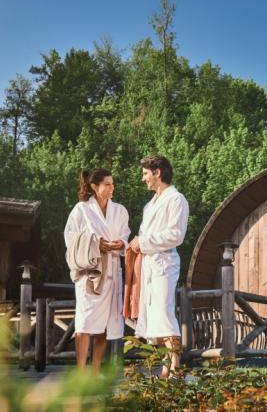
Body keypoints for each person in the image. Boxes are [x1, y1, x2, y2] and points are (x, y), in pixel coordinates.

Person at [128, 155, 189, 378]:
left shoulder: (176, 200)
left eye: (145, 174)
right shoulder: (149, 205)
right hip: (148, 266)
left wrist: (143, 242)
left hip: (164, 264)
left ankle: (176, 366)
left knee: (164, 313)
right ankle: (165, 367)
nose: (143, 178)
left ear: (158, 173)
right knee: (154, 318)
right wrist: (137, 243)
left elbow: (176, 235)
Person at [64, 168, 129, 374]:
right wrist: (95, 244)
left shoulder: (120, 211)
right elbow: (70, 239)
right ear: (94, 186)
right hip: (90, 273)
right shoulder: (81, 209)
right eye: (107, 184)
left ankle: (95, 371)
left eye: (112, 184)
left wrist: (121, 244)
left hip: (112, 272)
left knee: (104, 325)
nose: (112, 188)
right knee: (84, 323)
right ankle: (81, 372)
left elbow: (125, 235)